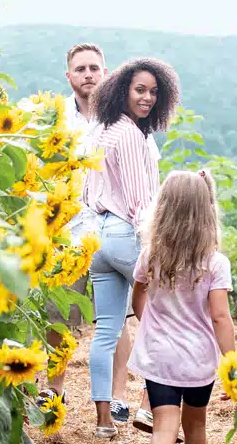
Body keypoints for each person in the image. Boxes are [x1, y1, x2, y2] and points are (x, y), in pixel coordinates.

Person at [42, 44, 161, 415]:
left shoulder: (121, 119)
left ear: (106, 73)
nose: (89, 74)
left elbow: (144, 173)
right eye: (81, 69)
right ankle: (54, 389)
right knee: (59, 312)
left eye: (95, 67)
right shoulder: (57, 120)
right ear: (69, 77)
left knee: (118, 316)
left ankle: (118, 397)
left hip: (111, 225)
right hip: (69, 228)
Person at [128, 170, 236, 444]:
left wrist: (151, 324)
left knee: (163, 428)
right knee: (196, 426)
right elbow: (220, 316)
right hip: (197, 361)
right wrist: (233, 365)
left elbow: (138, 298)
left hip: (160, 357)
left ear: (164, 209)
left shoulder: (151, 255)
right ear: (206, 212)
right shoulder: (214, 263)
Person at [83, 57, 178, 438]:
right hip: (126, 235)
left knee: (106, 330)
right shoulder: (132, 137)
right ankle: (148, 407)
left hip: (98, 238)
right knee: (169, 318)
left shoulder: (101, 131)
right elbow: (143, 205)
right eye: (140, 90)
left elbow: (88, 192)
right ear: (122, 90)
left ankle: (104, 422)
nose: (148, 98)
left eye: (154, 92)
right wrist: (158, 250)